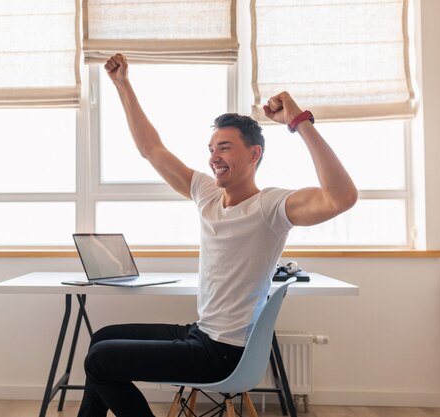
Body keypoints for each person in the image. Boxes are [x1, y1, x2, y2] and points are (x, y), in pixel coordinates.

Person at [77, 53, 358, 417]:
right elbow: (152, 149)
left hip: (224, 353)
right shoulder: (207, 194)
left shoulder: (271, 207)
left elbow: (341, 197)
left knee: (101, 360)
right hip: (201, 333)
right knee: (101, 339)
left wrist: (298, 121)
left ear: (254, 154)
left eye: (224, 147)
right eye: (211, 149)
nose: (214, 157)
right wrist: (122, 85)